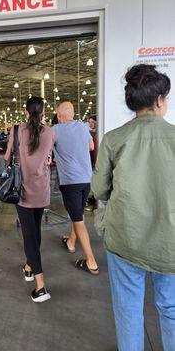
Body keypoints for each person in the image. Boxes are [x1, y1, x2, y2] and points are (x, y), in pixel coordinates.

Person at [92, 64, 175, 351]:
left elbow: (99, 190)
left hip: (125, 236)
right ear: (160, 100)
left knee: (128, 310)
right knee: (171, 308)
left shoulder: (114, 139)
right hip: (170, 242)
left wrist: (102, 219)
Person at [5, 96, 54, 302]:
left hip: (22, 190)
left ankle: (41, 286)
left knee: (29, 236)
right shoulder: (51, 132)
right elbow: (49, 157)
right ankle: (28, 267)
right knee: (35, 230)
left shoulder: (17, 130)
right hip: (41, 189)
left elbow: (7, 157)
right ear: (43, 112)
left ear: (26, 111)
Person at [54, 102, 99, 275]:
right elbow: (91, 147)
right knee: (77, 213)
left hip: (70, 182)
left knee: (78, 220)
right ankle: (71, 243)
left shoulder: (56, 130)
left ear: (60, 115)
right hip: (86, 179)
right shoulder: (82, 126)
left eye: (58, 114)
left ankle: (91, 261)